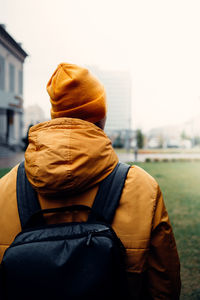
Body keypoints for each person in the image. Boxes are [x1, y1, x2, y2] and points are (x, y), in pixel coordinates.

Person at [0, 62, 181, 299]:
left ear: (56, 114)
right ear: (102, 117)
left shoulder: (6, 189)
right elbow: (164, 287)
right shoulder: (143, 187)